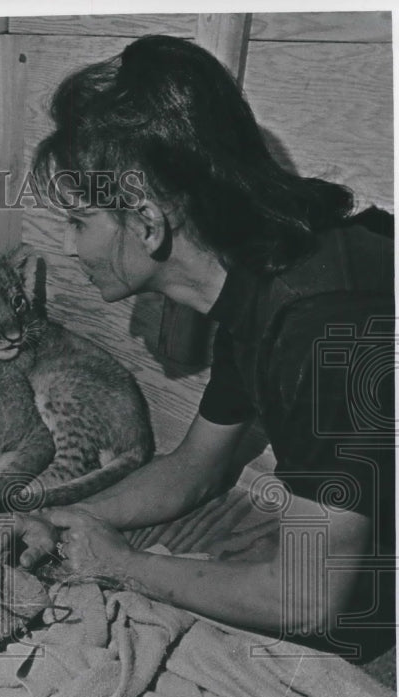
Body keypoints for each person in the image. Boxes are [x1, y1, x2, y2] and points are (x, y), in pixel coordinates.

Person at [19, 34, 395, 662]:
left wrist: (124, 566)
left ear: (146, 222)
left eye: (80, 220)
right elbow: (198, 466)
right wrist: (69, 521)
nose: (69, 245)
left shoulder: (321, 328)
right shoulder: (260, 276)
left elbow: (306, 598)